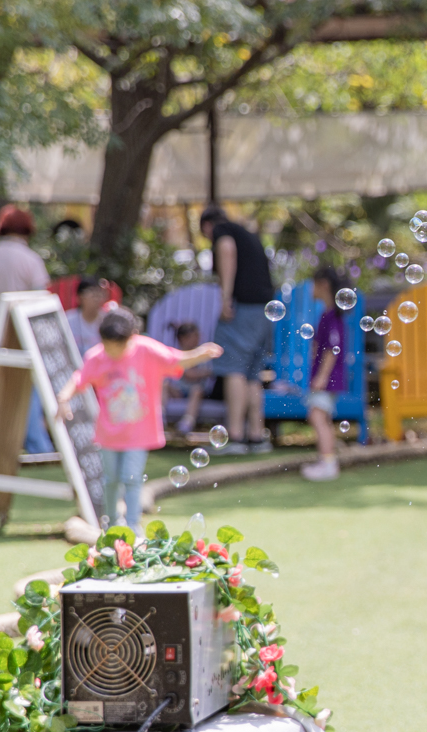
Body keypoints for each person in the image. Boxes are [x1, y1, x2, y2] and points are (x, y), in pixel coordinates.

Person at [56, 307, 221, 532]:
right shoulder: (97, 356)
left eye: (118, 348)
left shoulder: (145, 349)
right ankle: (112, 523)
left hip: (139, 433)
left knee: (131, 478)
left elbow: (176, 359)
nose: (113, 353)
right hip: (109, 433)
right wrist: (63, 396)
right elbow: (80, 378)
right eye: (108, 347)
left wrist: (200, 353)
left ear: (131, 337)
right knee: (112, 480)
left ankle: (133, 526)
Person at [0, 205, 53, 454]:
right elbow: (42, 297)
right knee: (27, 390)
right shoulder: (30, 258)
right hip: (20, 330)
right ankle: (37, 444)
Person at [200, 206, 274, 454]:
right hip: (263, 309)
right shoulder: (247, 232)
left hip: (243, 308)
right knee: (253, 372)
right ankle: (256, 436)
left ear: (208, 225)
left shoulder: (223, 231)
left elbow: (227, 251)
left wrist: (225, 297)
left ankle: (235, 437)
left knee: (233, 367)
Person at [302, 268, 348, 482]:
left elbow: (332, 349)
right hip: (328, 378)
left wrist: (321, 377)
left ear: (324, 285)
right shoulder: (327, 314)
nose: (311, 288)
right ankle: (327, 461)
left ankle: (328, 463)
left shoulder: (331, 316)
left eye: (313, 283)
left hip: (327, 379)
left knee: (317, 416)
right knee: (323, 418)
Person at [166, 322, 219, 436]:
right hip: (179, 392)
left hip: (196, 393)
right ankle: (159, 416)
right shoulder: (178, 354)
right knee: (164, 385)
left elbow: (195, 374)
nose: (198, 339)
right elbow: (189, 374)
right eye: (195, 336)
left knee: (197, 390)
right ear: (183, 339)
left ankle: (187, 422)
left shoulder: (201, 355)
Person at [65, 276, 110, 355]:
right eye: (92, 292)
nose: (96, 296)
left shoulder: (107, 321)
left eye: (99, 292)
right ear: (80, 297)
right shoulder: (67, 320)